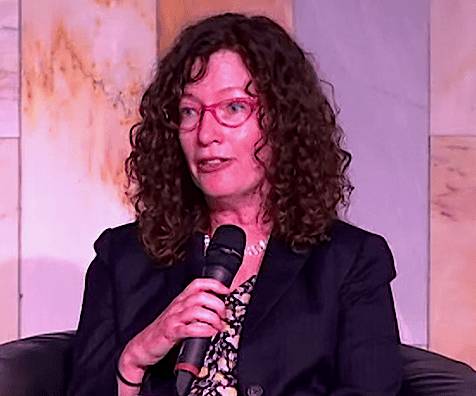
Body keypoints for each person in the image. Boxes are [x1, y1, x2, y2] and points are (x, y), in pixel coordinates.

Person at [68, 12, 402, 396]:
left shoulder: (351, 261)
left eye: (233, 108)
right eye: (189, 112)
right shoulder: (122, 258)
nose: (206, 134)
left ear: (282, 120)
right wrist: (136, 356)